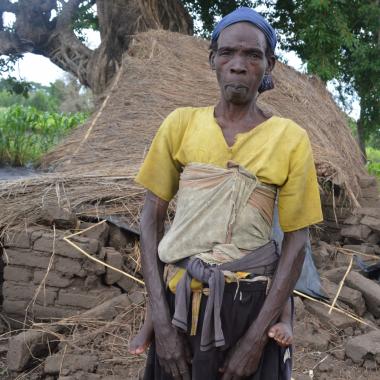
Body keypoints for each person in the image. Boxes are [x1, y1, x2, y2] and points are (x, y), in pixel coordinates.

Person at [134, 7, 323, 380]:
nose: (238, 64)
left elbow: (296, 241)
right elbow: (150, 218)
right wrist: (160, 318)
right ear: (213, 60)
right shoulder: (181, 124)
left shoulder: (289, 139)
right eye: (227, 53)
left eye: (252, 55)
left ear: (269, 65)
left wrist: (254, 341)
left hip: (251, 306)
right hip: (178, 304)